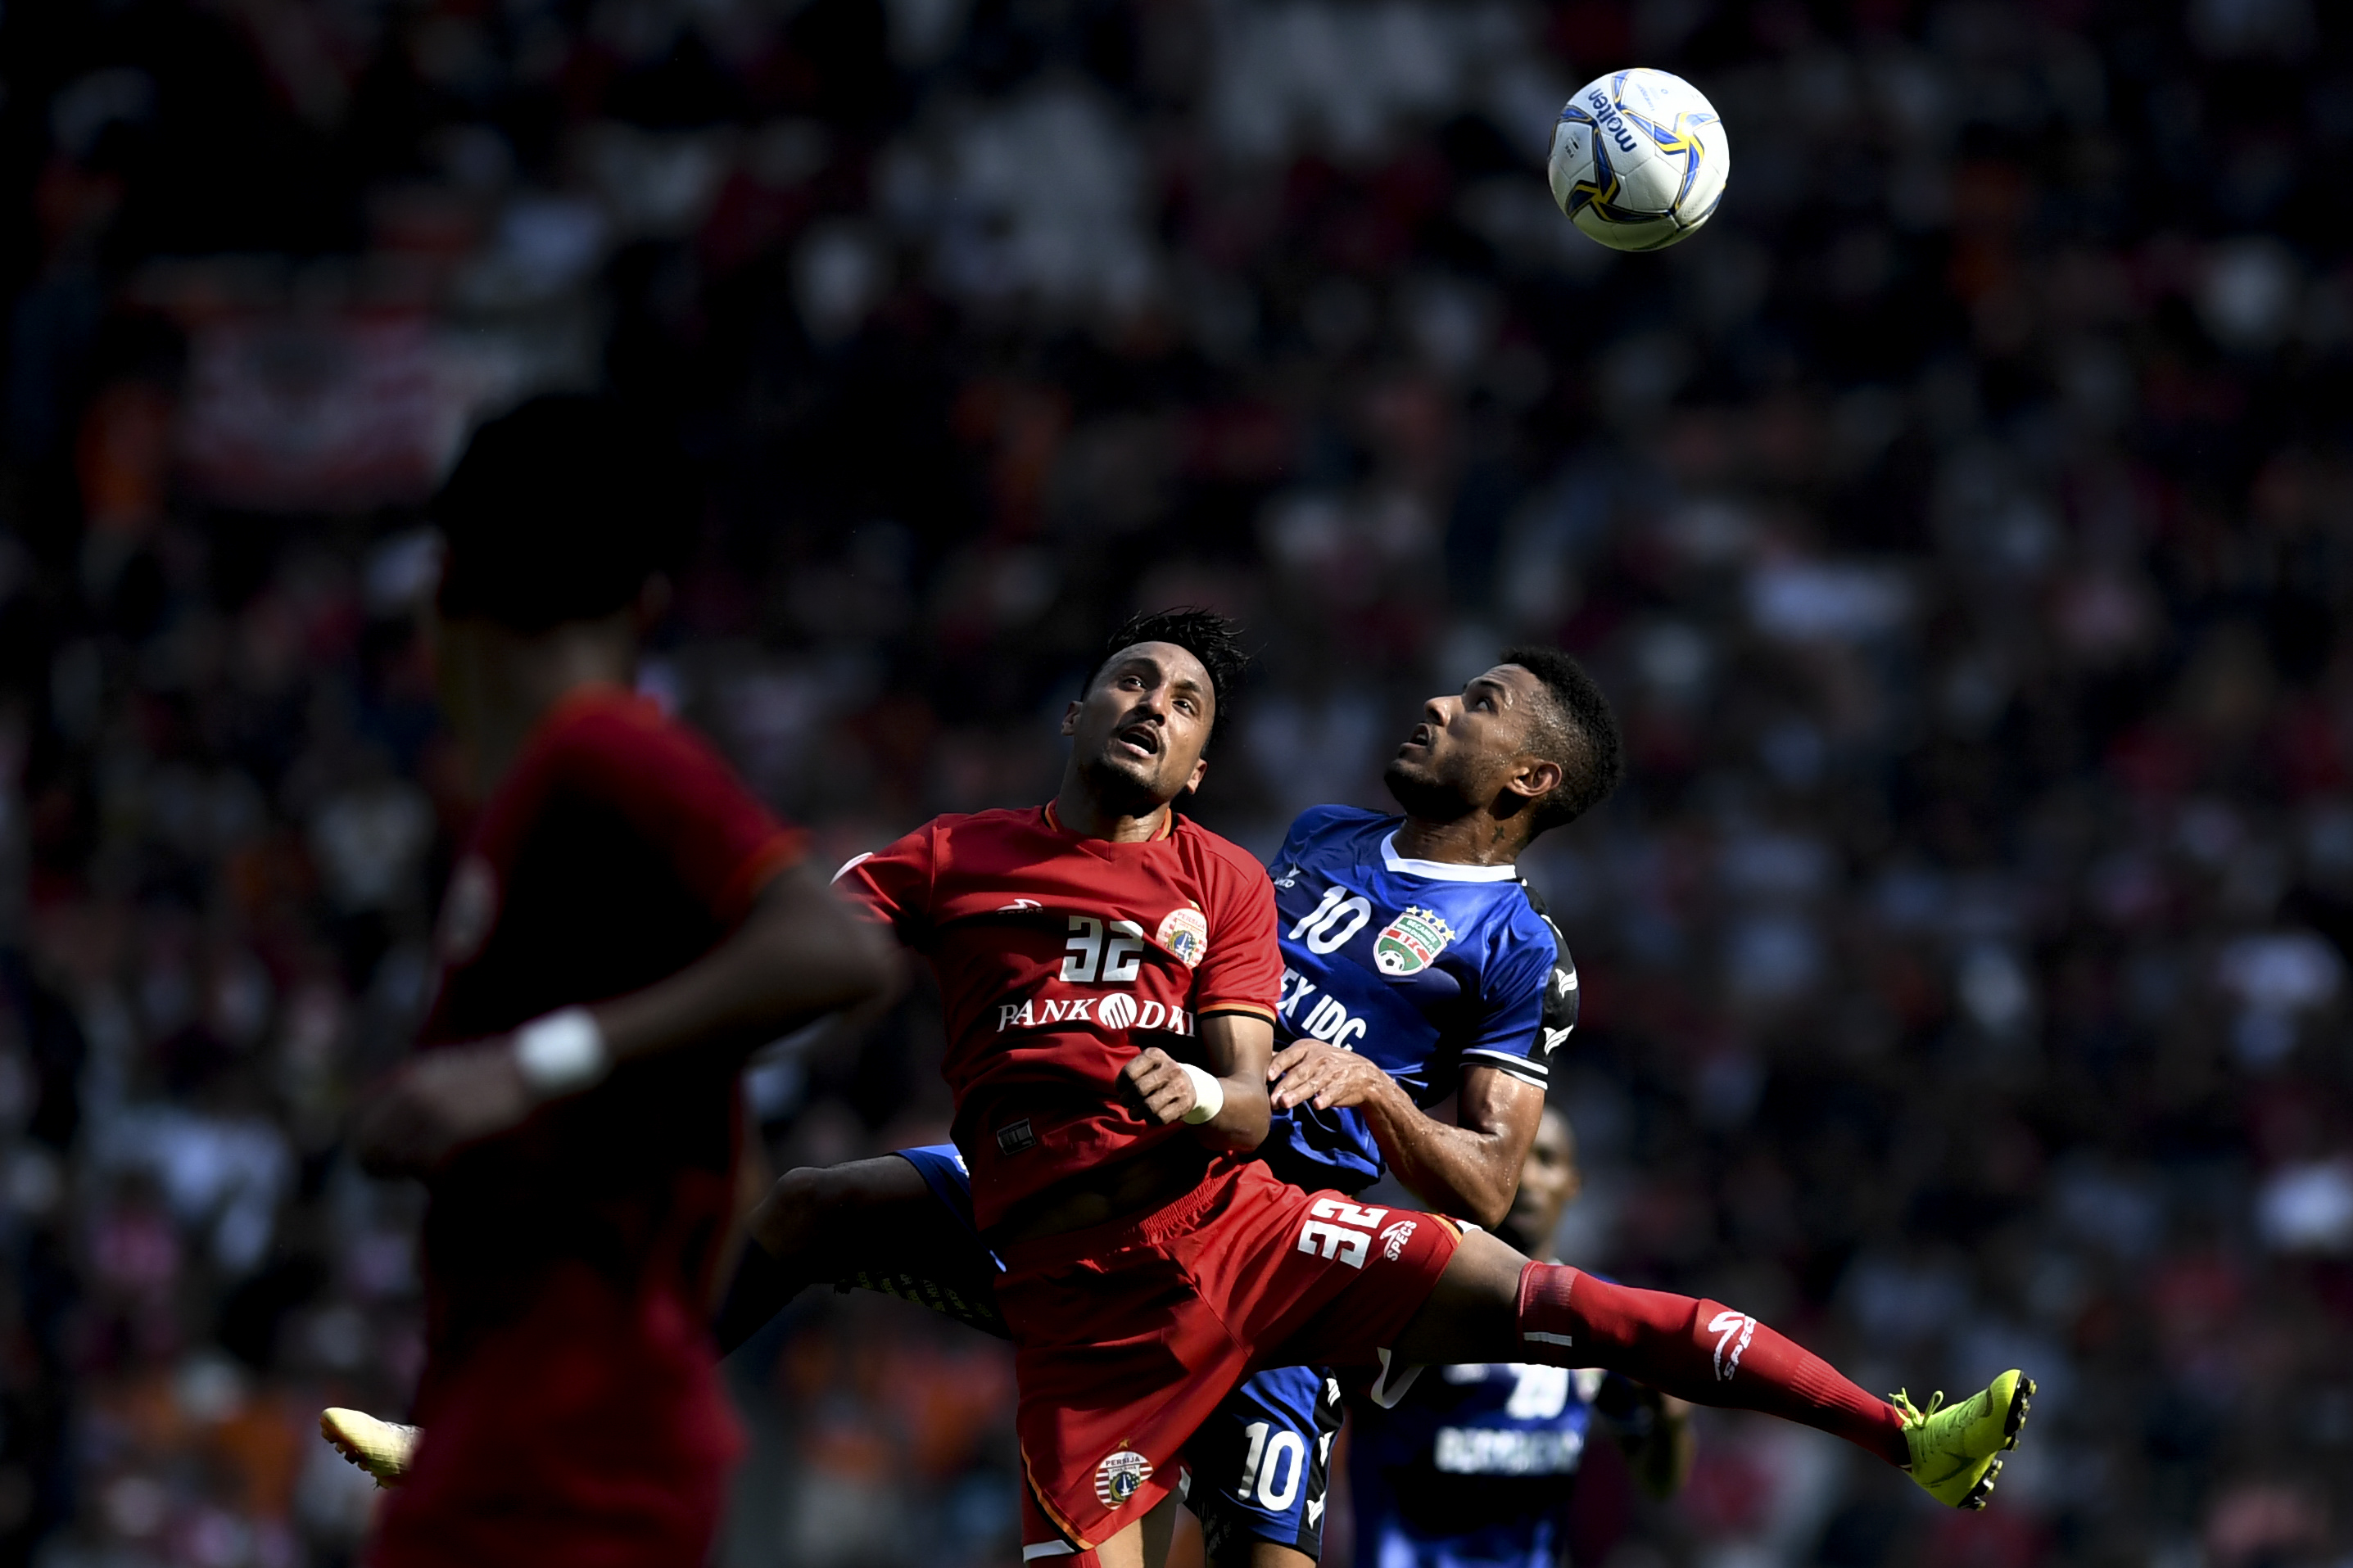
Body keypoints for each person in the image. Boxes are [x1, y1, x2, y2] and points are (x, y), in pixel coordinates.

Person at [333, 608, 2034, 1568]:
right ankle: (508, 1419)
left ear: (1521, 778)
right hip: (1105, 1221)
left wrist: (1355, 1084)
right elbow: (1152, 972)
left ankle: (1901, 1430)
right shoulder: (1293, 846)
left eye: (1479, 701)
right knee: (819, 1207)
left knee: (1443, 1412)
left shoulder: (1520, 953)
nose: (1435, 696)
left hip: (1284, 1249)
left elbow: (1489, 1178)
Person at [341, 395, 897, 1568]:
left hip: (569, 1449)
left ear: (446, 590)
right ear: (647, 601)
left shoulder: (605, 753)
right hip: (528, 1426)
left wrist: (531, 1063)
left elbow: (839, 944)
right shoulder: (540, 800)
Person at [1349, 1107, 1692, 1568]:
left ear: (1574, 1184)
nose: (1526, 1178)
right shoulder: (1411, 1292)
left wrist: (1671, 1421)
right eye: (1511, 1156)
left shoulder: (1602, 1315)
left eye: (1546, 1159)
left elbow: (1658, 1482)